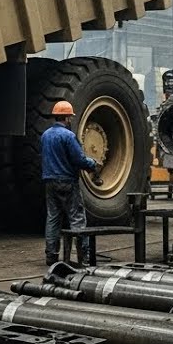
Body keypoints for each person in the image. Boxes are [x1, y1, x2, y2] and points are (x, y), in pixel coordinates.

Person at [41, 101, 102, 265]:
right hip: (67, 182)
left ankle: (51, 256)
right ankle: (84, 257)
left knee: (53, 218)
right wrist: (93, 164)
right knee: (77, 219)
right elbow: (79, 159)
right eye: (70, 117)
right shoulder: (68, 136)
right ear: (67, 117)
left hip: (49, 181)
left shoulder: (45, 135)